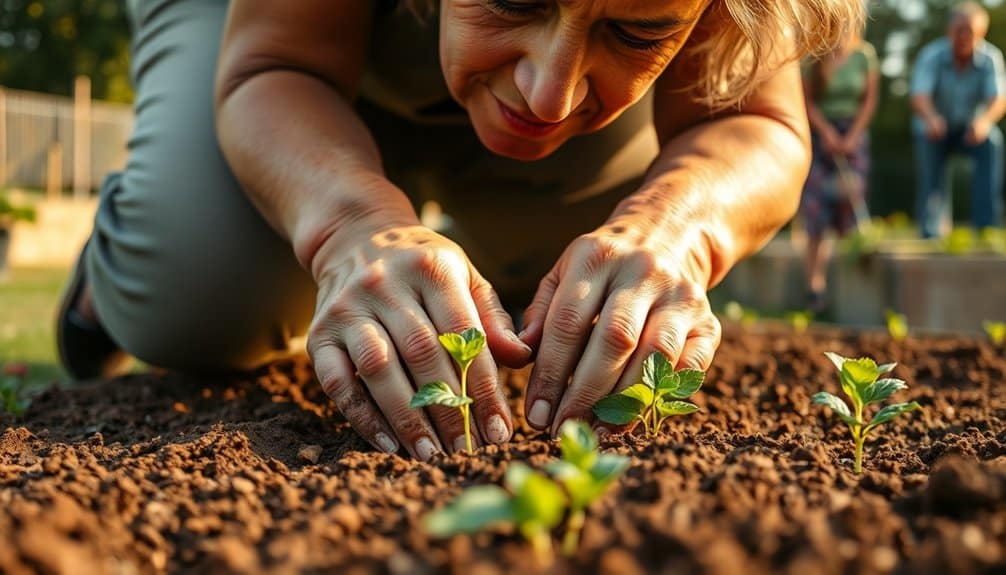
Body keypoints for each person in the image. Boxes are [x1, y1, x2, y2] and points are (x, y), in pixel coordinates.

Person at [57, 0, 861, 460]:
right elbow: (272, 67)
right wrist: (352, 224)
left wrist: (671, 228)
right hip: (280, 50)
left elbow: (761, 123)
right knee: (200, 289)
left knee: (585, 294)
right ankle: (118, 266)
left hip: (566, 135)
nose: (550, 94)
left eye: (638, 29)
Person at [910, 1, 1006, 239]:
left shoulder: (991, 58)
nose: (963, 36)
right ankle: (931, 231)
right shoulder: (931, 55)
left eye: (970, 31)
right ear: (949, 30)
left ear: (981, 33)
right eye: (958, 30)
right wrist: (931, 118)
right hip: (936, 128)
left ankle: (986, 228)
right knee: (929, 146)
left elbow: (998, 99)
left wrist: (983, 122)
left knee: (993, 142)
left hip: (971, 129)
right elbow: (919, 97)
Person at [800, 26, 879, 312]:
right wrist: (827, 133)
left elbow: (869, 100)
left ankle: (853, 298)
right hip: (820, 138)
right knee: (816, 214)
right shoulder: (813, 56)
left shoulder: (864, 55)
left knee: (850, 209)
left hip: (853, 136)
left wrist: (851, 136)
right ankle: (814, 291)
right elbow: (805, 100)